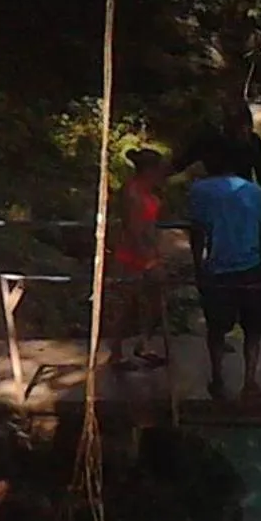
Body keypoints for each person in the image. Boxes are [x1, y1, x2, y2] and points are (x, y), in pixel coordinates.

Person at [188, 145, 261, 403]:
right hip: (252, 265)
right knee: (253, 328)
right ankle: (249, 383)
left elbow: (197, 231)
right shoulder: (253, 190)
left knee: (216, 328)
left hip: (218, 268)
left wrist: (198, 266)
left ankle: (218, 379)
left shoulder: (200, 191)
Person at [173, 100, 261, 217]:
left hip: (243, 200)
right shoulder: (209, 140)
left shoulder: (254, 143)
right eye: (239, 127)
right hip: (215, 201)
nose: (244, 132)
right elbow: (177, 166)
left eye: (247, 127)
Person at [109, 149, 168, 370]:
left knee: (155, 302)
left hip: (150, 252)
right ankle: (115, 353)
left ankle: (144, 343)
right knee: (125, 304)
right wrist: (148, 260)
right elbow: (134, 229)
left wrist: (157, 254)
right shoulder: (131, 193)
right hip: (131, 255)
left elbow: (152, 226)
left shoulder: (151, 193)